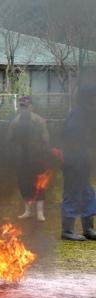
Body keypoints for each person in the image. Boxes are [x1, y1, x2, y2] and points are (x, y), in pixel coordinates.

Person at [60, 86, 96, 241]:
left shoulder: (88, 115)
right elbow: (71, 141)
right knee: (72, 194)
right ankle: (67, 231)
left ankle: (88, 229)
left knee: (87, 194)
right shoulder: (77, 116)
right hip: (74, 163)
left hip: (83, 162)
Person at [7, 96, 50, 221]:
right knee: (24, 185)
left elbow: (45, 140)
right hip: (21, 160)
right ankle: (28, 211)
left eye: (26, 106)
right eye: (22, 106)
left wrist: (44, 155)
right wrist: (13, 155)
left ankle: (40, 213)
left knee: (39, 185)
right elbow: (9, 141)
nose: (24, 108)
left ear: (31, 106)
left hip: (37, 159)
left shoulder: (39, 121)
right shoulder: (14, 123)